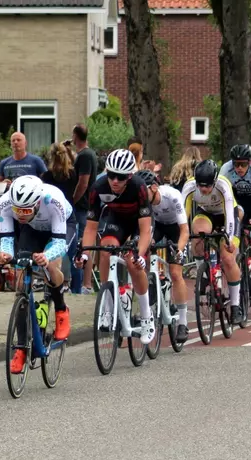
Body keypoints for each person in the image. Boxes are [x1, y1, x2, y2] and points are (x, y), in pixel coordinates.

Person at [0, 176, 75, 373]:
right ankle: (21, 348)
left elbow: (58, 243)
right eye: (17, 210)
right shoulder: (5, 203)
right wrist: (5, 255)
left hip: (60, 229)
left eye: (25, 210)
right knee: (21, 284)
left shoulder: (53, 201)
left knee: (51, 266)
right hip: (32, 228)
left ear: (37, 203)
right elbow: (6, 239)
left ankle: (61, 309)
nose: (20, 215)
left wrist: (46, 257)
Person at [75, 149, 156, 343]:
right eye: (111, 175)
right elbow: (90, 229)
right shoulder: (98, 187)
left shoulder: (139, 187)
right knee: (105, 248)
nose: (115, 181)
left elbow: (145, 230)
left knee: (132, 261)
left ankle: (146, 315)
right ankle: (108, 307)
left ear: (129, 176)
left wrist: (140, 254)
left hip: (139, 223)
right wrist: (85, 255)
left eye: (121, 177)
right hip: (116, 220)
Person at [182, 160, 243, 322]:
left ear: (215, 181)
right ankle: (202, 273)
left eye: (208, 186)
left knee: (228, 257)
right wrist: (181, 237)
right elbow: (182, 217)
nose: (203, 189)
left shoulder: (223, 185)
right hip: (206, 214)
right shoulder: (189, 187)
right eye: (200, 185)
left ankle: (236, 305)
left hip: (226, 215)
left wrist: (229, 238)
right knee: (198, 234)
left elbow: (230, 213)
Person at [136, 170, 191, 342]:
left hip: (176, 228)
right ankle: (150, 288)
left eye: (145, 191)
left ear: (154, 188)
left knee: (175, 273)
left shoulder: (172, 195)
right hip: (157, 226)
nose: (142, 195)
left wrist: (179, 250)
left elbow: (185, 231)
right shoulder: (141, 201)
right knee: (141, 251)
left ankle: (183, 322)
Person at [220, 144, 251, 315]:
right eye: (236, 164)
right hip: (237, 205)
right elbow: (221, 197)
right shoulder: (225, 170)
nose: (239, 168)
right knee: (231, 245)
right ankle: (233, 287)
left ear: (249, 162)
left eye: (243, 164)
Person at [41, 142, 79, 291]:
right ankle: (72, 284)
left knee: (54, 248)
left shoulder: (47, 175)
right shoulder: (72, 174)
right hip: (68, 212)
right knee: (70, 251)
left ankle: (56, 279)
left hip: (52, 214)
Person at [69, 124, 97, 294]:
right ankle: (85, 284)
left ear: (75, 136)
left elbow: (83, 182)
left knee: (82, 244)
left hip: (82, 206)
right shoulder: (86, 154)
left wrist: (73, 200)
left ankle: (85, 284)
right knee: (86, 245)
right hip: (85, 205)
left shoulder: (85, 156)